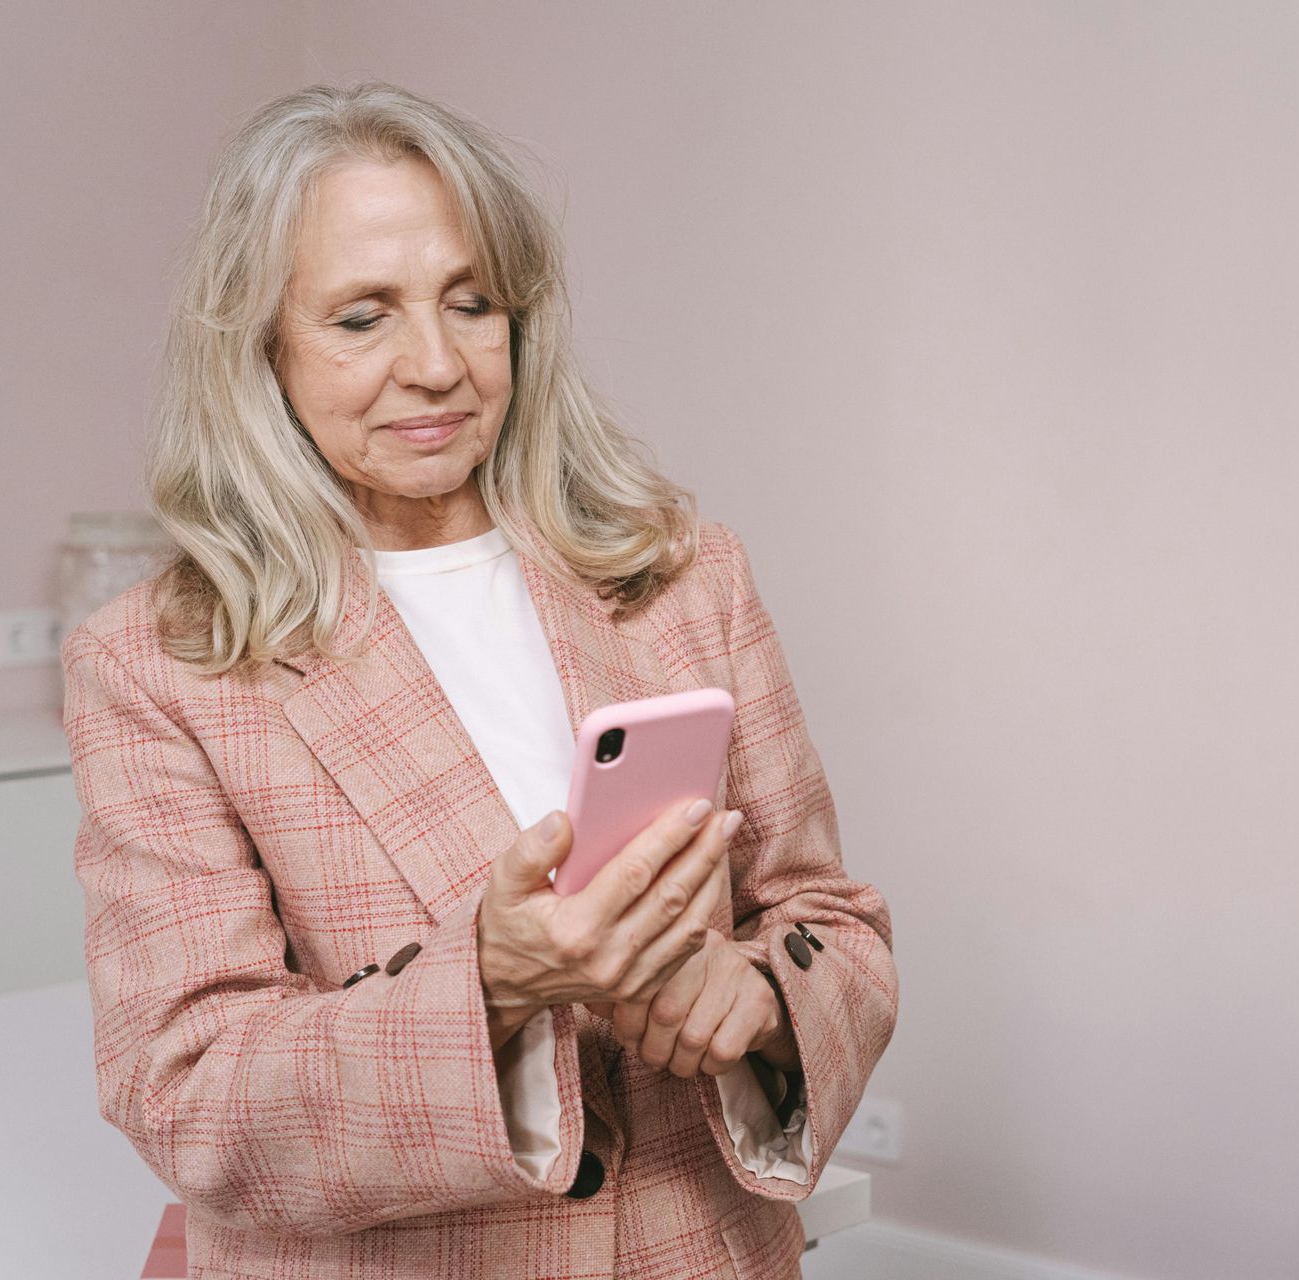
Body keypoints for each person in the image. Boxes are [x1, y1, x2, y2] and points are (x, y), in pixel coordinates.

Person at [61, 81, 897, 1280]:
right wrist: (492, 983)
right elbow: (187, 1088)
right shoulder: (157, 664)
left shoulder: (685, 575)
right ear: (261, 347)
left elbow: (833, 924)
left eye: (471, 302)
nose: (437, 364)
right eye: (362, 318)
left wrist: (756, 999)